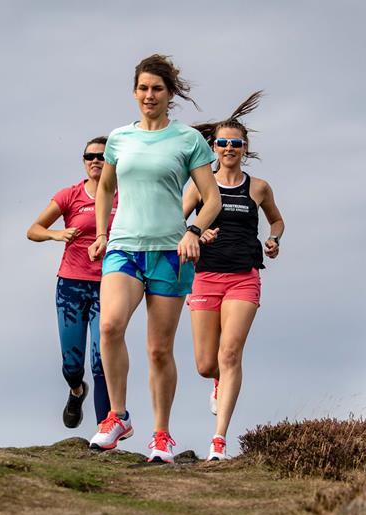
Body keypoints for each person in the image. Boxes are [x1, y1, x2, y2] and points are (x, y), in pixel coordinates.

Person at [86, 54, 222, 463]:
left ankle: (161, 436)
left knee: (158, 350)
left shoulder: (187, 141)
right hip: (124, 247)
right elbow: (105, 188)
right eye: (143, 88)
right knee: (109, 327)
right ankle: (117, 416)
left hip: (169, 252)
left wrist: (193, 231)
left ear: (170, 94)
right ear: (134, 92)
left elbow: (211, 198)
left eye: (157, 89)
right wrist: (102, 234)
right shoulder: (118, 139)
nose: (149, 95)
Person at [185, 93, 285, 461]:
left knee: (230, 353)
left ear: (245, 148)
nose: (229, 148)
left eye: (236, 143)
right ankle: (216, 382)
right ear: (213, 147)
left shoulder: (258, 187)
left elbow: (277, 219)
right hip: (206, 276)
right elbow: (176, 221)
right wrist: (195, 231)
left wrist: (273, 239)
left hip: (244, 276)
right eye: (223, 143)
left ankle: (219, 439)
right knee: (206, 364)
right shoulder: (199, 187)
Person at [27, 136, 117, 429]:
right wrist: (57, 234)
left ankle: (105, 428)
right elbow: (34, 230)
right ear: (83, 161)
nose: (95, 161)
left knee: (100, 359)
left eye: (102, 157)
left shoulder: (124, 196)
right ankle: (77, 391)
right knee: (72, 364)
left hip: (110, 285)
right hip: (71, 285)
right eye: (90, 156)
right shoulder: (70, 195)